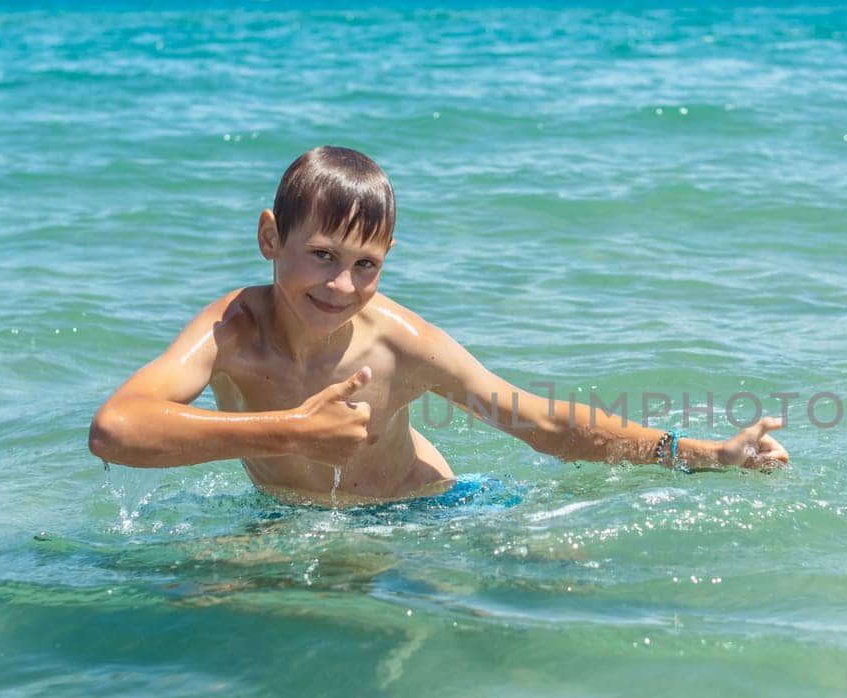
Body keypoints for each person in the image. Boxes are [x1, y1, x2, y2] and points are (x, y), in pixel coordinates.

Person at [89, 146, 788, 504]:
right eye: (322, 256)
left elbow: (543, 424)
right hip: (289, 521)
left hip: (426, 514)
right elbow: (115, 429)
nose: (341, 285)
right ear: (272, 237)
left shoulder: (400, 342)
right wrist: (294, 430)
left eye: (366, 264)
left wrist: (701, 454)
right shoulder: (234, 330)